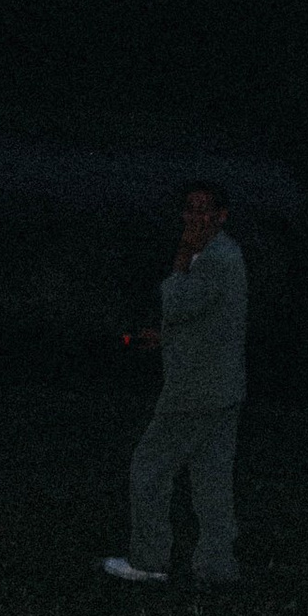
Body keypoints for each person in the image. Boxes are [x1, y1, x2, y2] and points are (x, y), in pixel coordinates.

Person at [105, 180, 245, 587]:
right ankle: (216, 567)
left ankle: (149, 559)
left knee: (149, 468)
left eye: (205, 210)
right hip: (221, 386)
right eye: (190, 208)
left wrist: (181, 257)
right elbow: (212, 318)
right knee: (211, 481)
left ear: (221, 215)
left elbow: (180, 301)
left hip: (196, 389)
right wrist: (165, 337)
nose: (195, 217)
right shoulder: (223, 254)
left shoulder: (216, 256)